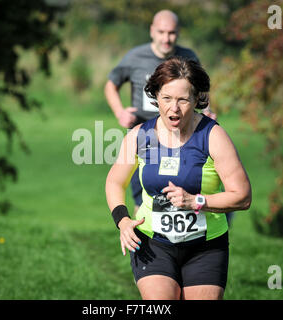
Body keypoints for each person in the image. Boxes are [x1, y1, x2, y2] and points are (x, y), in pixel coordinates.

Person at [105, 57, 251, 300]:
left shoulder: (213, 136)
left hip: (206, 246)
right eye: (167, 99)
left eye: (183, 99)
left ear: (196, 99)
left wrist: (196, 201)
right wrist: (122, 220)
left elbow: (243, 197)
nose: (174, 108)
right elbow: (114, 182)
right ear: (156, 98)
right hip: (153, 242)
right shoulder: (139, 136)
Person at [104, 10, 216, 215]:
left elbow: (199, 90)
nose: (166, 38)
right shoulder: (135, 57)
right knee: (146, 198)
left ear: (178, 33)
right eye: (161, 32)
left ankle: (187, 238)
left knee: (183, 189)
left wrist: (207, 111)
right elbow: (111, 84)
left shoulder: (188, 57)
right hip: (147, 136)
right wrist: (120, 112)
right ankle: (144, 239)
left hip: (183, 134)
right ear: (152, 31)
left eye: (171, 33)